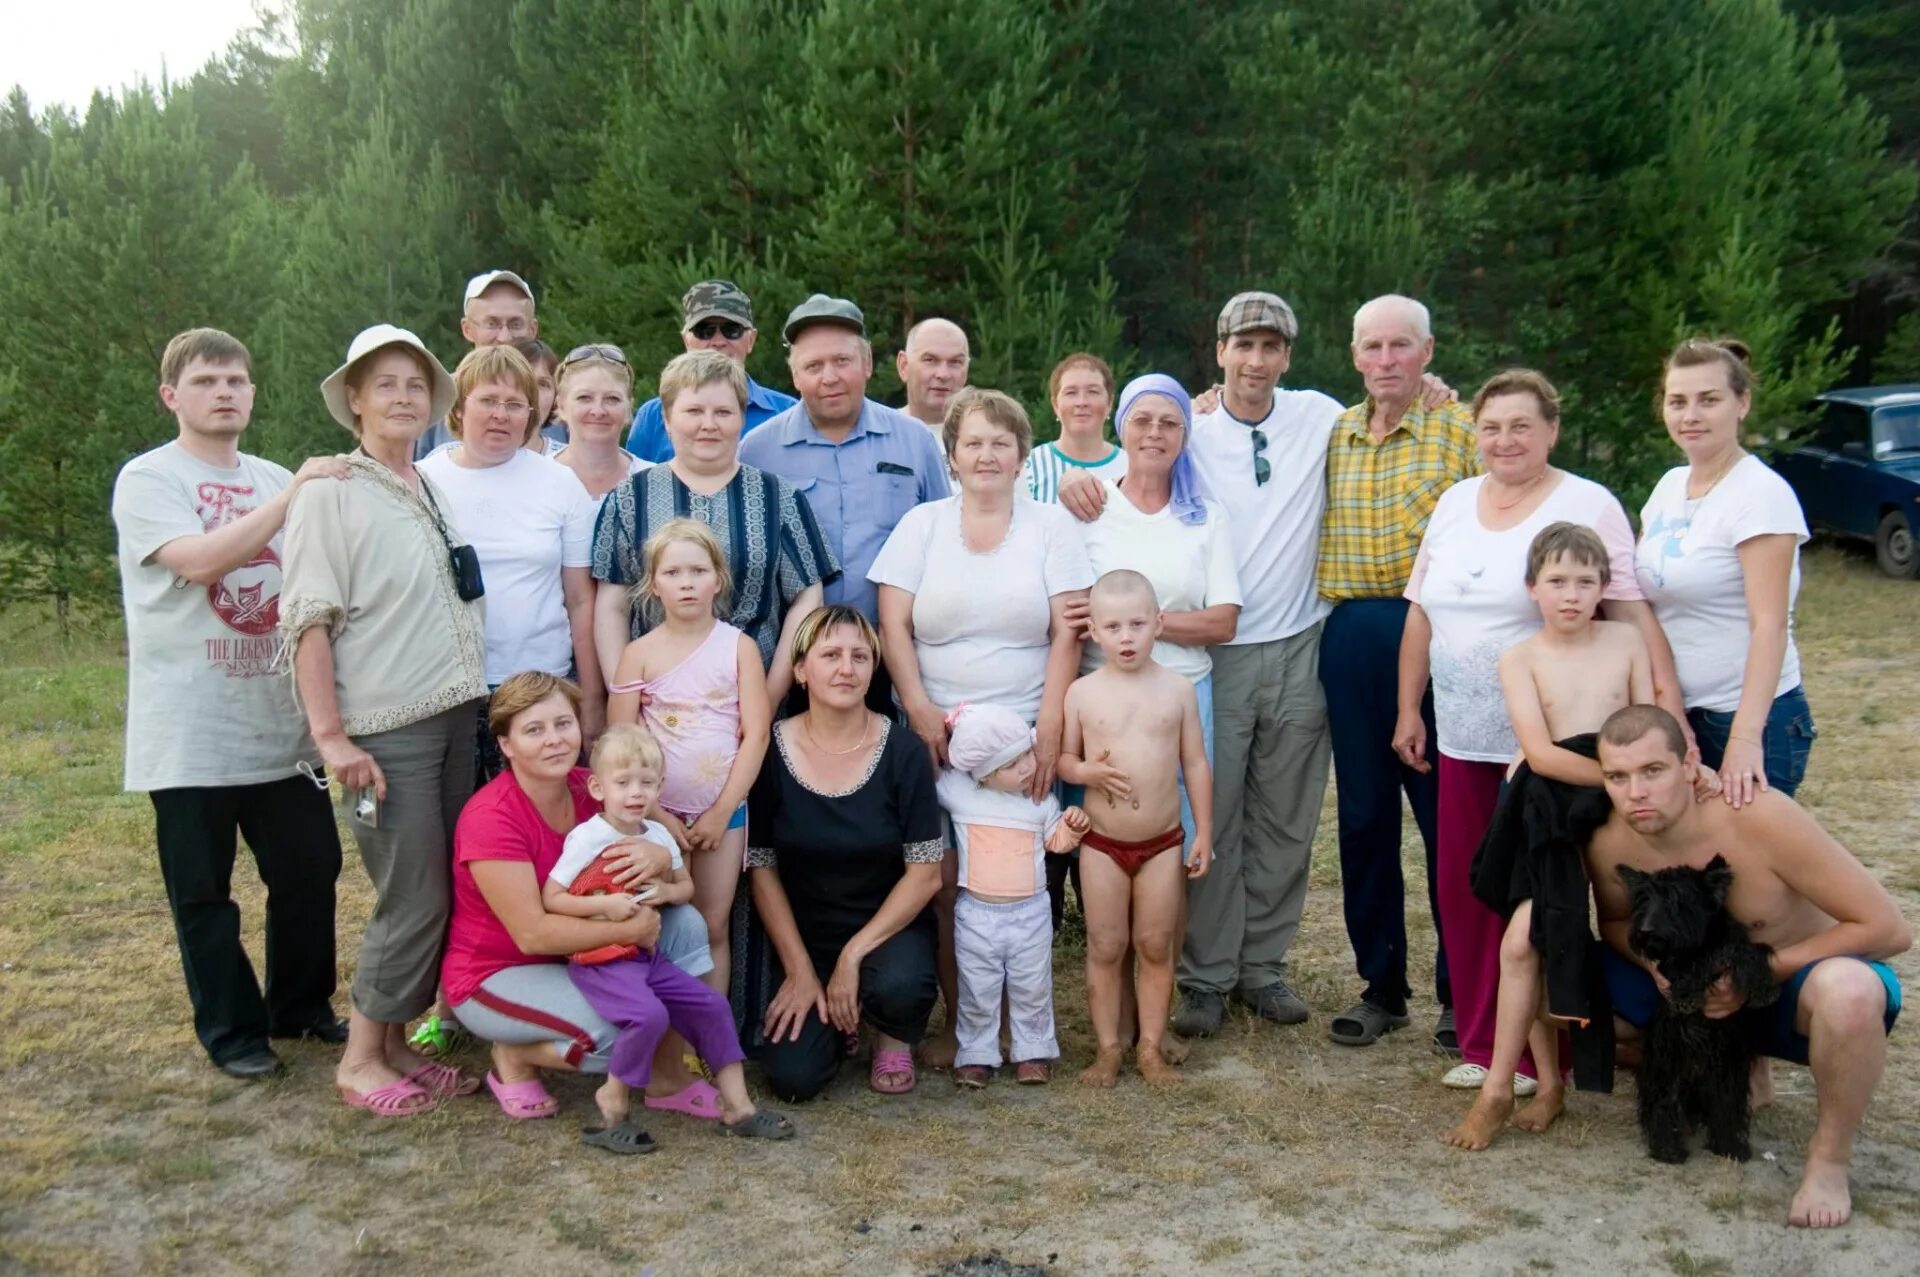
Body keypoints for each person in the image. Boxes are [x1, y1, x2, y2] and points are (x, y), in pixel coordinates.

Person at [1394, 369, 1677, 1090]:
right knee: (1468, 884)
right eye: (1491, 427)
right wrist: (1408, 708)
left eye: (1521, 425)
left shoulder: (1588, 502)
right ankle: (1483, 1039)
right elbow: (1421, 611)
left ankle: (1541, 1052)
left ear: (1552, 428)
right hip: (1462, 734)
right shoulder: (1456, 502)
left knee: (1542, 893)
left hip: (1552, 751)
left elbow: (1631, 617)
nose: (1505, 439)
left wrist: (1669, 726)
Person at [1065, 293, 1334, 1039]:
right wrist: (1068, 480)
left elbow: (1390, 400)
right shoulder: (1188, 427)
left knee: (1286, 817)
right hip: (1212, 665)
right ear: (1218, 351)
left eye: (1270, 346)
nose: (1256, 360)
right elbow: (1105, 457)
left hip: (1298, 639)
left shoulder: (1320, 416)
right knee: (1213, 819)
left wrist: (1438, 390)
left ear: (1286, 355)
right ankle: (1208, 975)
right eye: (1242, 345)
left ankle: (1265, 967)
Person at [111, 327, 348, 1080]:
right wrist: (293, 496)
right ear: (171, 395)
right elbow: (201, 561)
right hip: (190, 729)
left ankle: (300, 1005)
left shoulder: (272, 473)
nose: (225, 392)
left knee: (311, 870)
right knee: (204, 891)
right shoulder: (149, 479)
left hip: (279, 728)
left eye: (237, 380)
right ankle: (232, 1030)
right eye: (208, 380)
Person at [1588, 705, 1909, 1229]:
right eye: (1617, 777)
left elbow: (1888, 928)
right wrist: (1652, 968)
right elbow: (1615, 922)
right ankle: (1726, 1074)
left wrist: (1766, 972)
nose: (1636, 792)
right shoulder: (1609, 841)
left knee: (1850, 992)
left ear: (1691, 764)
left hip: (1786, 992)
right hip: (1690, 997)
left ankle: (1828, 1162)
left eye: (1653, 771)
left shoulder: (1760, 817)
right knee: (1556, 982)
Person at [281, 323, 487, 1115]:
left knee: (438, 885)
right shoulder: (330, 491)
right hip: (383, 733)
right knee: (411, 892)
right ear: (355, 400)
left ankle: (399, 1041)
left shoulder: (425, 486)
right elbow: (308, 621)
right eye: (385, 384)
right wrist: (333, 738)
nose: (403, 396)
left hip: (451, 720)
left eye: (415, 385)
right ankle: (362, 1055)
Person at [869, 386, 1094, 1067]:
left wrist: (1050, 718)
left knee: (1018, 879)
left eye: (1002, 442)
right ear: (952, 454)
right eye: (974, 442)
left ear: (1023, 454)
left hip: (1024, 729)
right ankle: (961, 1026)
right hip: (934, 733)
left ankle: (1022, 1029)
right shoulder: (923, 525)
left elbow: (1069, 630)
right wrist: (916, 708)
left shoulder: (1052, 526)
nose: (987, 454)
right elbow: (892, 623)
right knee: (944, 881)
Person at [1443, 523, 1654, 1151]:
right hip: (1554, 801)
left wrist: (1635, 785)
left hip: (1624, 801)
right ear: (1532, 588)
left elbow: (1648, 720)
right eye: (1557, 581)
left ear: (1603, 587)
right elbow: (1539, 751)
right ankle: (1507, 1088)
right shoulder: (1522, 657)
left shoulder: (1626, 640)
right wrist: (1620, 780)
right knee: (1524, 944)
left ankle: (1690, 1058)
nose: (1571, 594)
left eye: (1585, 582)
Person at [1314, 294, 1478, 1053]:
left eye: (1401, 346)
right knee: (1364, 820)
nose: (1386, 360)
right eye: (1373, 347)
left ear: (1428, 350)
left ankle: (1463, 988)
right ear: (1354, 355)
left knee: (1448, 818)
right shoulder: (1335, 431)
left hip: (1439, 638)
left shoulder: (1464, 428)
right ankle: (1381, 985)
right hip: (1351, 636)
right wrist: (1210, 397)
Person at [441, 674, 714, 1124]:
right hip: (498, 973)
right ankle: (515, 1055)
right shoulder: (492, 818)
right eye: (534, 730)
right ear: (505, 745)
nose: (554, 741)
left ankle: (667, 1079)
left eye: (562, 724)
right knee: (622, 1029)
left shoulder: (593, 787)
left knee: (685, 923)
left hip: (577, 956)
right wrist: (628, 929)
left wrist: (656, 852)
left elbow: (665, 842)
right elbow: (532, 934)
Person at [541, 723, 793, 1151]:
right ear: (599, 788)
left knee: (711, 1004)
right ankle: (613, 1103)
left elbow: (686, 889)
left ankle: (739, 1108)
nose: (635, 793)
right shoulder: (588, 837)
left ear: (660, 787)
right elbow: (553, 897)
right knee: (648, 1015)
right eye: (623, 783)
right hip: (599, 959)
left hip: (644, 957)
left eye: (646, 783)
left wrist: (666, 892)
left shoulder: (658, 836)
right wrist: (603, 907)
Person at [748, 607, 944, 1101]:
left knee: (900, 985)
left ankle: (889, 1031)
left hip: (886, 932)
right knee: (794, 1079)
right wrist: (799, 969)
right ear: (800, 670)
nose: (846, 668)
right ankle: (837, 1024)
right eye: (830, 655)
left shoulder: (902, 750)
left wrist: (853, 957)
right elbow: (762, 867)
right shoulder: (769, 751)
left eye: (860, 656)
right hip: (805, 939)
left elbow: (925, 874)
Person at [591, 349, 837, 709]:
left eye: (723, 412)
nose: (709, 424)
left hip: (754, 701)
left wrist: (767, 696)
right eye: (694, 411)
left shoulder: (780, 497)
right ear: (667, 419)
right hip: (656, 702)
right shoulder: (630, 498)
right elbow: (611, 603)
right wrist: (624, 693)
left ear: (741, 419)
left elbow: (807, 598)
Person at [1637, 338, 1815, 807]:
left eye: (1708, 400)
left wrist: (1744, 739)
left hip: (1751, 717)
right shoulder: (1668, 486)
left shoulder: (1760, 495)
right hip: (1681, 718)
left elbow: (1770, 626)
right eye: (1678, 401)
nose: (1690, 415)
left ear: (1742, 403)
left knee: (1753, 871)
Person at [419, 344, 605, 779]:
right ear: (459, 408)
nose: (500, 415)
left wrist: (592, 698)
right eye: (487, 401)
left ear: (531, 414)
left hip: (541, 686)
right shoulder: (425, 480)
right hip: (449, 689)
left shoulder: (560, 483)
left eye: (514, 404)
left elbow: (581, 600)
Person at [1060, 570, 1213, 1087]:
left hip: (1163, 842)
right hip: (1102, 843)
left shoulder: (1178, 690)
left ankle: (1150, 1046)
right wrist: (1085, 773)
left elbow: (1195, 763)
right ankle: (1108, 1048)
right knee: (1105, 945)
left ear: (1159, 624)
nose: (1126, 637)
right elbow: (1064, 761)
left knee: (1153, 944)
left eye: (1137, 624)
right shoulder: (1081, 693)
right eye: (1113, 626)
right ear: (1094, 633)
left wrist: (1205, 832)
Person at [605, 518, 772, 995]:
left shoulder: (739, 648)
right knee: (655, 921)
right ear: (654, 584)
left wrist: (722, 812)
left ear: (717, 578)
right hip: (653, 815)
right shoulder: (637, 654)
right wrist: (655, 812)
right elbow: (622, 741)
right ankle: (660, 1035)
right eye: (673, 573)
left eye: (697, 571)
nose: (686, 583)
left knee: (711, 925)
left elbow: (756, 735)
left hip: (724, 812)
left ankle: (709, 1036)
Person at [737, 294, 951, 631]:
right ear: (794, 377)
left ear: (866, 363)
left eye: (841, 360)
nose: (830, 377)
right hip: (790, 652)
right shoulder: (757, 451)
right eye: (813, 366)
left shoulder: (915, 441)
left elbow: (946, 540)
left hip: (895, 647)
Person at [938, 703, 1090, 1088]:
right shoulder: (962, 795)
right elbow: (933, 774)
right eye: (1012, 764)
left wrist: (1073, 828)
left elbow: (1056, 842)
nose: (1026, 768)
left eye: (1027, 755)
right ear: (984, 775)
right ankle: (975, 1054)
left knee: (1032, 984)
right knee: (977, 985)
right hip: (976, 913)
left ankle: (1033, 1051)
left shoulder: (1039, 804)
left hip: (1031, 912)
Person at [625, 280, 797, 463]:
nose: (718, 341)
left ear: (751, 340)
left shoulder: (788, 414)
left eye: (731, 330)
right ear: (686, 340)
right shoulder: (652, 417)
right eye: (704, 331)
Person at [414, 269, 539, 457]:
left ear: (532, 329)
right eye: (492, 324)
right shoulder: (438, 397)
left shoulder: (561, 401)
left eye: (515, 324)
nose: (504, 337)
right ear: (467, 329)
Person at [551, 343, 653, 502]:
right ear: (561, 405)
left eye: (612, 399)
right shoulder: (533, 479)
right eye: (584, 398)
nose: (598, 411)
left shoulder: (654, 481)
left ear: (628, 407)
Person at [1022, 353, 1127, 503]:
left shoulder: (1130, 468)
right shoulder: (1029, 468)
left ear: (1109, 403)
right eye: (1071, 393)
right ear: (1055, 405)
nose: (1081, 402)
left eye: (1092, 392)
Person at [896, 317, 970, 434]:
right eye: (930, 360)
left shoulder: (990, 439)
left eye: (955, 362)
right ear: (904, 366)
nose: (943, 374)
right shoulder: (878, 437)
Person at [513, 337, 567, 455]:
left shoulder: (568, 463)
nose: (533, 392)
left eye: (543, 384)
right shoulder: (465, 454)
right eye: (523, 380)